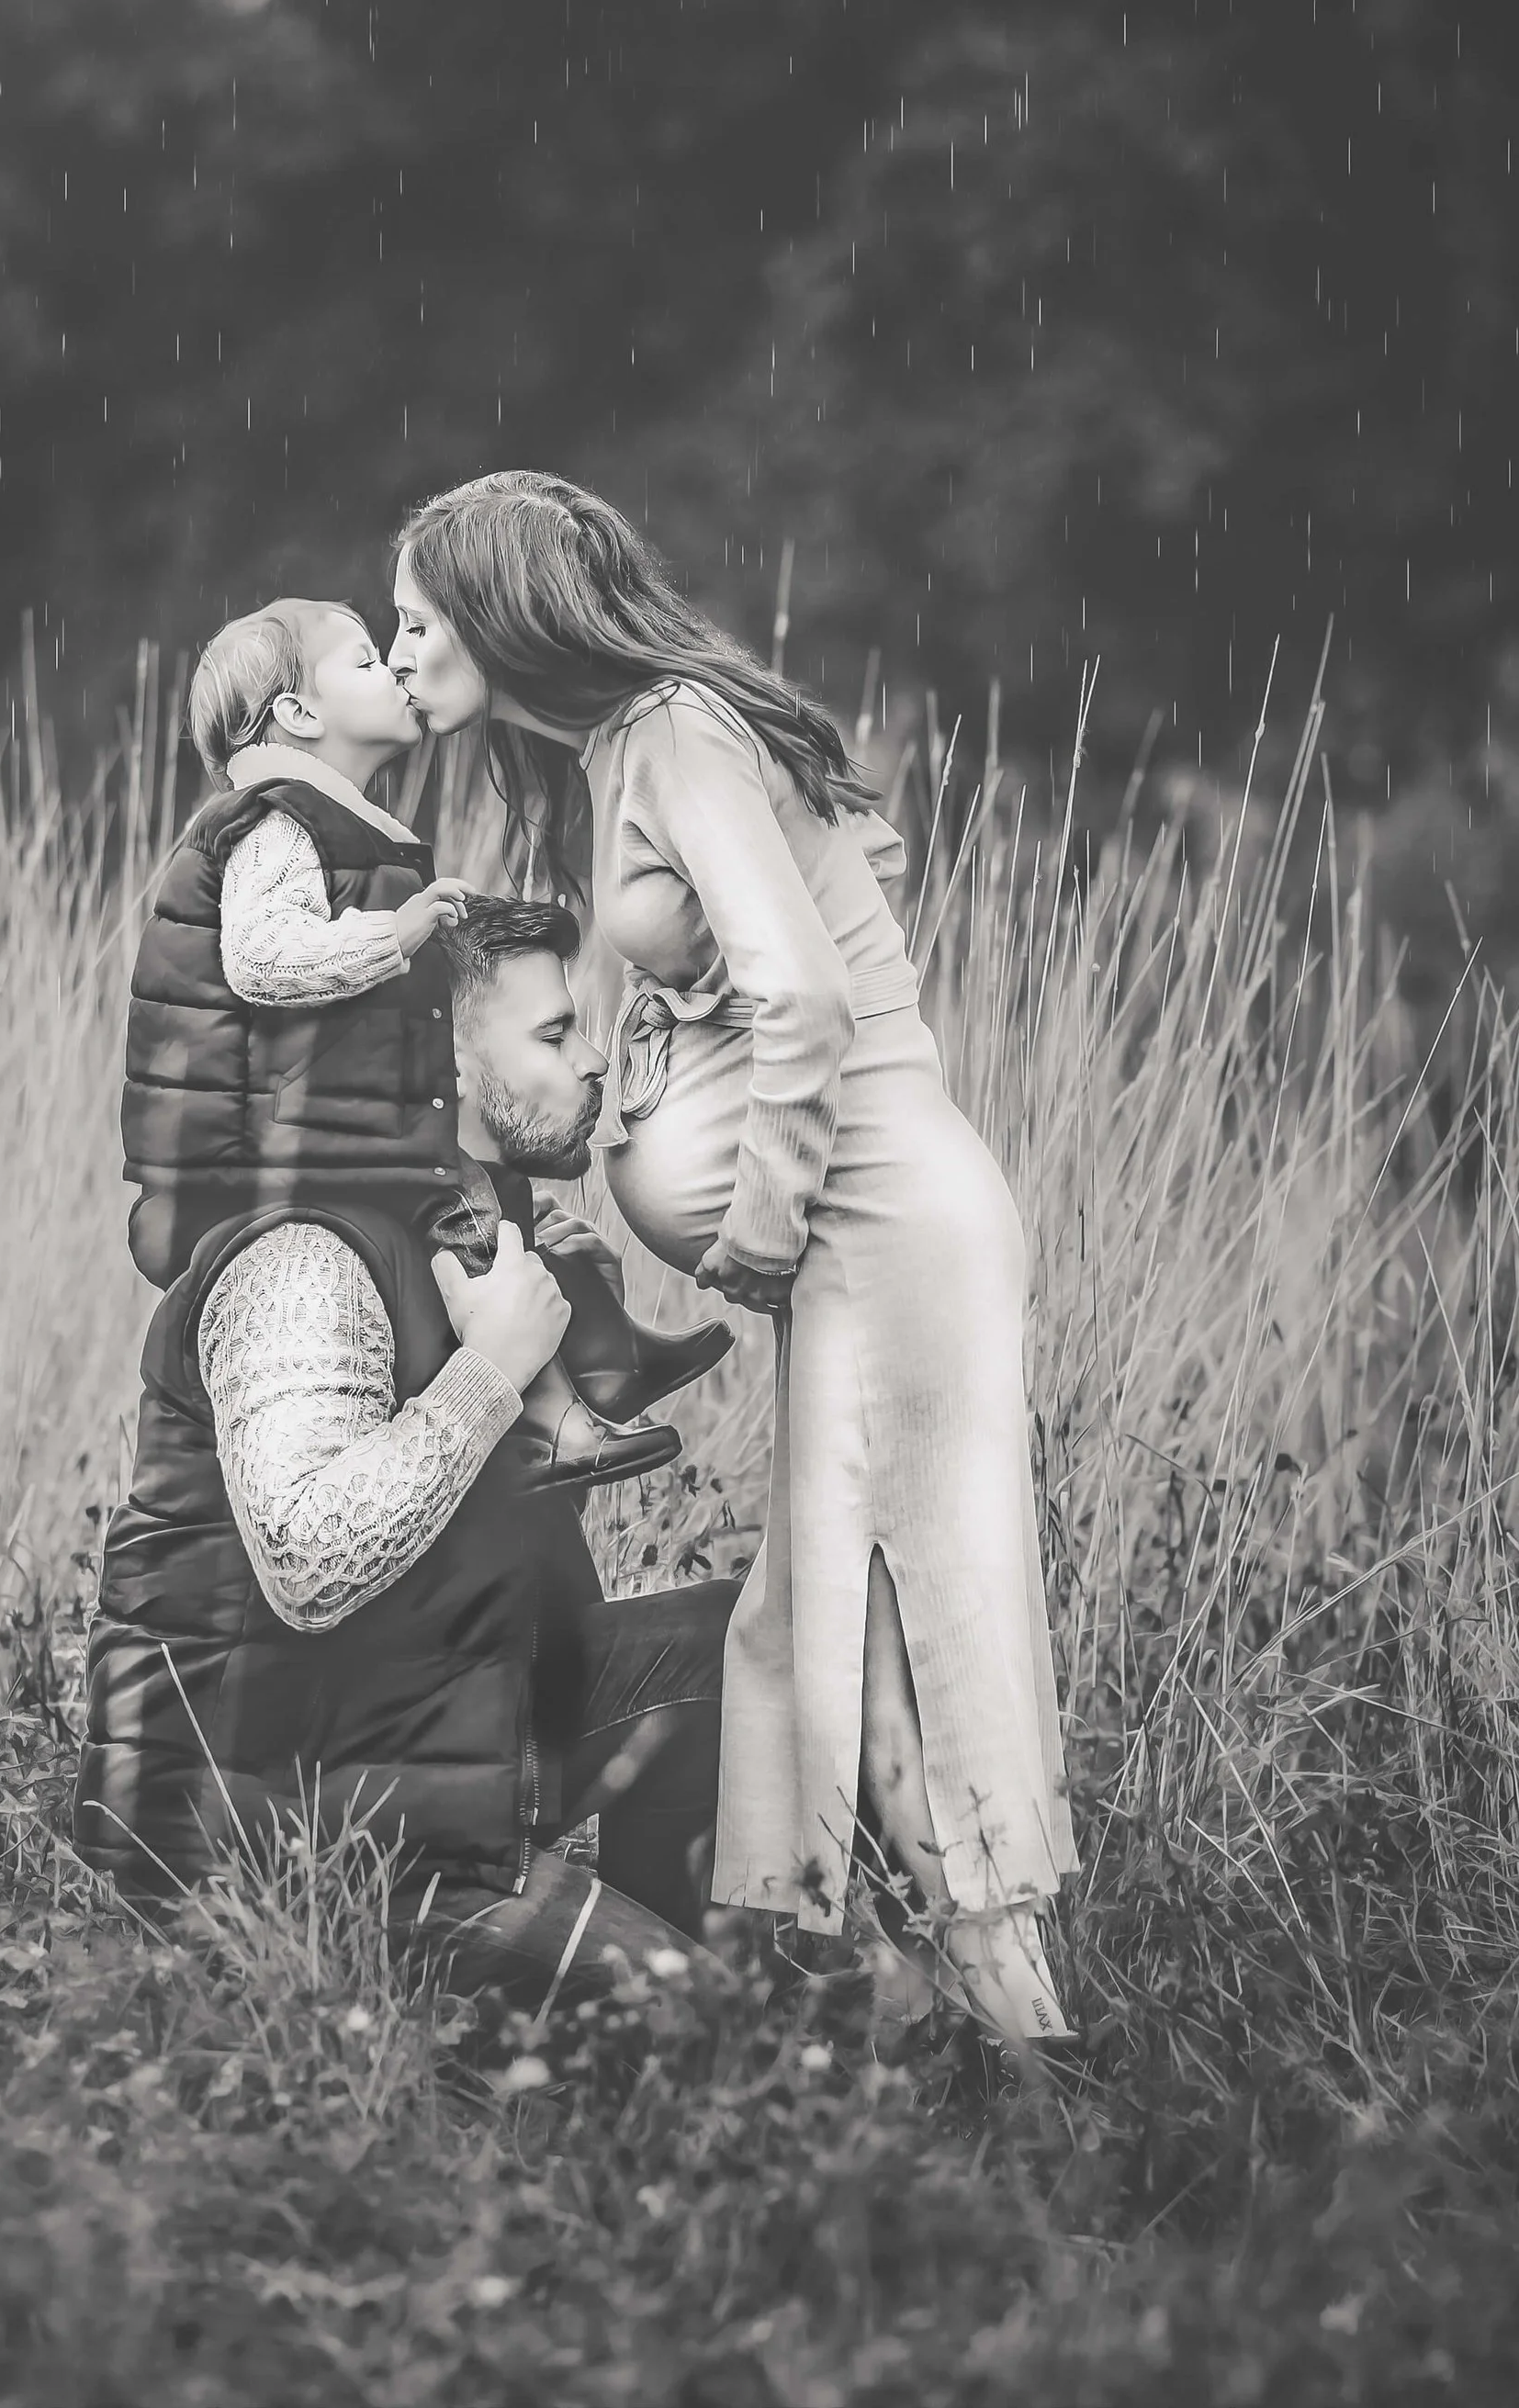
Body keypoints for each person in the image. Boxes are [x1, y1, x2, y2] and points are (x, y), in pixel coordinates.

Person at [388, 472, 1076, 2043]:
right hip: (868, 1232)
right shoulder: (636, 745)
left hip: (872, 1225)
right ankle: (961, 2032)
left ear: (507, 613)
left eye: (424, 618)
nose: (404, 649)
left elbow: (812, 1000)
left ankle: (1025, 2048)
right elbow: (759, 962)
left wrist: (755, 1230)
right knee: (829, 1636)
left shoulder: (675, 729)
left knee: (889, 1633)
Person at [78, 898, 741, 2006]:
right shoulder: (303, 1255)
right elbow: (306, 1557)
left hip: (445, 1748)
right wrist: (488, 1372)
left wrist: (578, 1349)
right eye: (552, 1036)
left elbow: (503, 1544)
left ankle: (703, 1955)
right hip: (292, 1845)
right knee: (735, 2045)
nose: (591, 1063)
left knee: (752, 1641)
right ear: (441, 1065)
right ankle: (672, 2012)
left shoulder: (475, 1222)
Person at [120, 594, 724, 1483]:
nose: (396, 667)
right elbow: (260, 960)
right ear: (296, 713)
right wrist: (395, 935)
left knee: (512, 1204)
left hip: (313, 1127)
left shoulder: (325, 823)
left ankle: (604, 1359)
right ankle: (551, 1418)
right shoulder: (274, 822)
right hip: (255, 1155)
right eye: (365, 660)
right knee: (475, 1213)